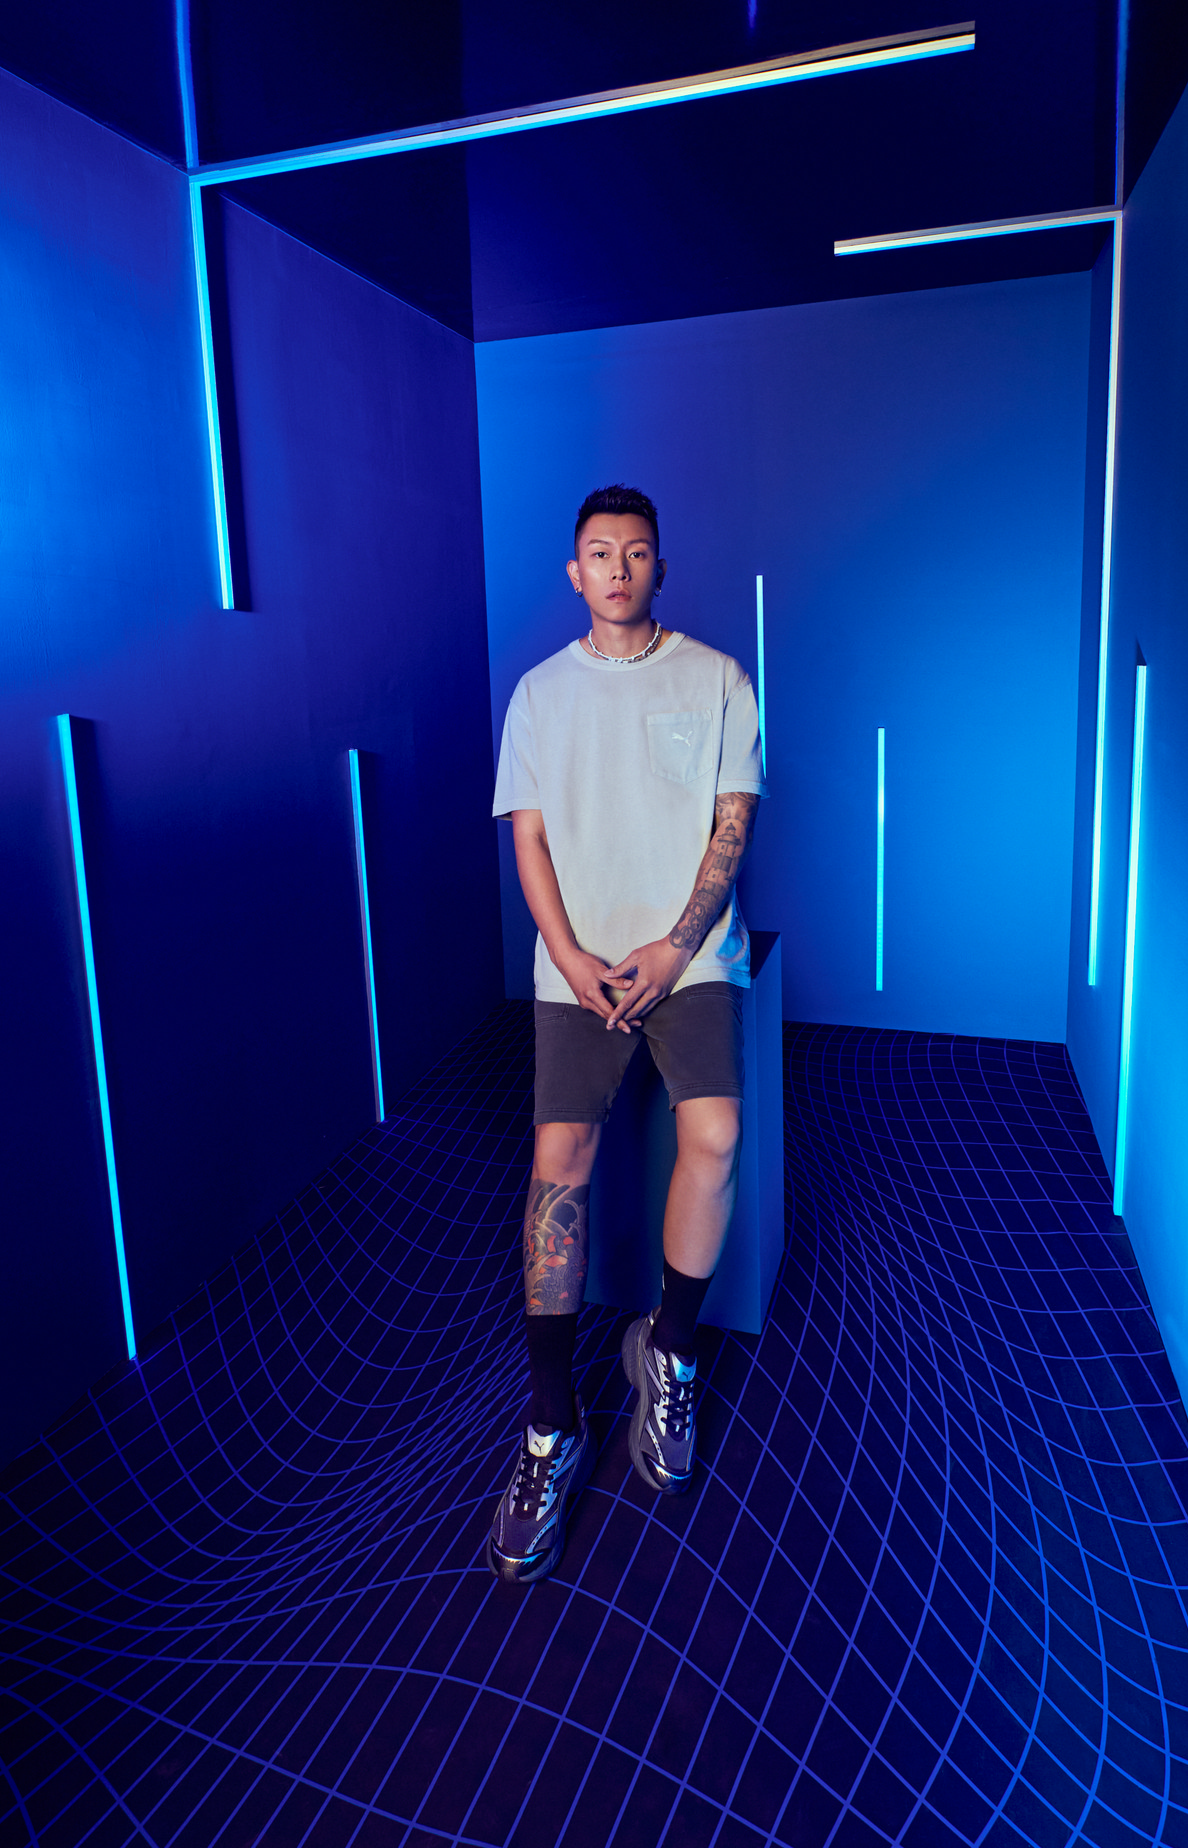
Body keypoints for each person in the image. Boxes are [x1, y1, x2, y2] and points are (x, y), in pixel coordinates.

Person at [487, 484, 767, 1583]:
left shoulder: (717, 679)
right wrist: (567, 956)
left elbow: (731, 829)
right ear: (574, 573)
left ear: (660, 567)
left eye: (636, 552)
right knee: (559, 1158)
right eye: (598, 553)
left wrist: (671, 948)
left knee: (717, 1135)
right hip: (579, 964)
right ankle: (551, 1426)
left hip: (687, 957)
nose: (617, 568)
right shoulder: (538, 694)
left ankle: (670, 1352)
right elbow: (529, 840)